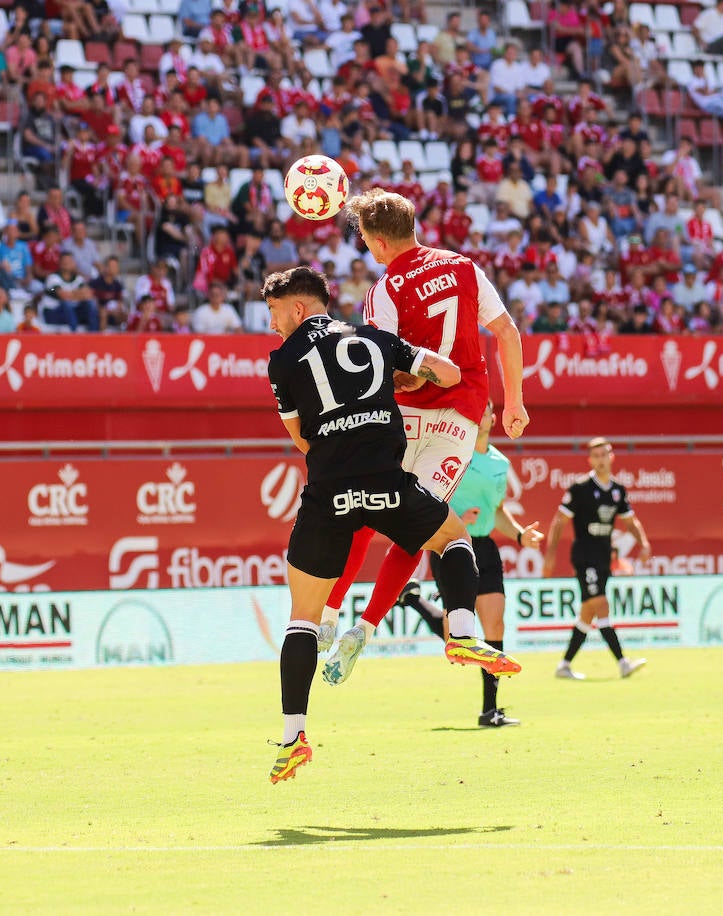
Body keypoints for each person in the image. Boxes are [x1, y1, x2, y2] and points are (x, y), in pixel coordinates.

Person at [262, 267, 520, 784]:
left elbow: (299, 438)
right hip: (389, 482)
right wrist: (409, 375)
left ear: (296, 309)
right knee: (453, 539)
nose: (272, 326)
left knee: (301, 621)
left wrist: (336, 455)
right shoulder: (374, 338)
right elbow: (448, 372)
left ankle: (293, 738)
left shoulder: (281, 360)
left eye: (273, 314)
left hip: (327, 493)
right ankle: (463, 631)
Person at [317, 188, 529, 687]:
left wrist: (412, 376)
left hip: (406, 416)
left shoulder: (385, 290)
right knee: (425, 521)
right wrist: (515, 401)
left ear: (376, 241)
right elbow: (508, 333)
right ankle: (383, 631)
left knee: (368, 517)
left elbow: (384, 363)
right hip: (459, 418)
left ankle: (328, 618)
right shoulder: (465, 267)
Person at [405, 402, 543, 727]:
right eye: (475, 411)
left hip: (485, 546)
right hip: (450, 544)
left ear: (493, 419)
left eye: (485, 411)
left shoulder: (500, 463)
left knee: (494, 627)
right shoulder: (453, 452)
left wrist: (521, 536)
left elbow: (496, 511)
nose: (479, 416)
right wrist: (456, 521)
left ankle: (490, 710)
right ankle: (414, 600)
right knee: (456, 636)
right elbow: (432, 496)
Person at [542, 438, 651, 680]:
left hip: (603, 558)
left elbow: (630, 521)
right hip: (585, 557)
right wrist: (549, 556)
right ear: (590, 460)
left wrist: (643, 543)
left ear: (611, 457)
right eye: (596, 456)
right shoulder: (580, 488)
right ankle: (623, 663)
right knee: (601, 605)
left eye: (605, 454)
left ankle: (564, 665)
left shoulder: (617, 490)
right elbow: (559, 521)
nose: (601, 459)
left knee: (588, 614)